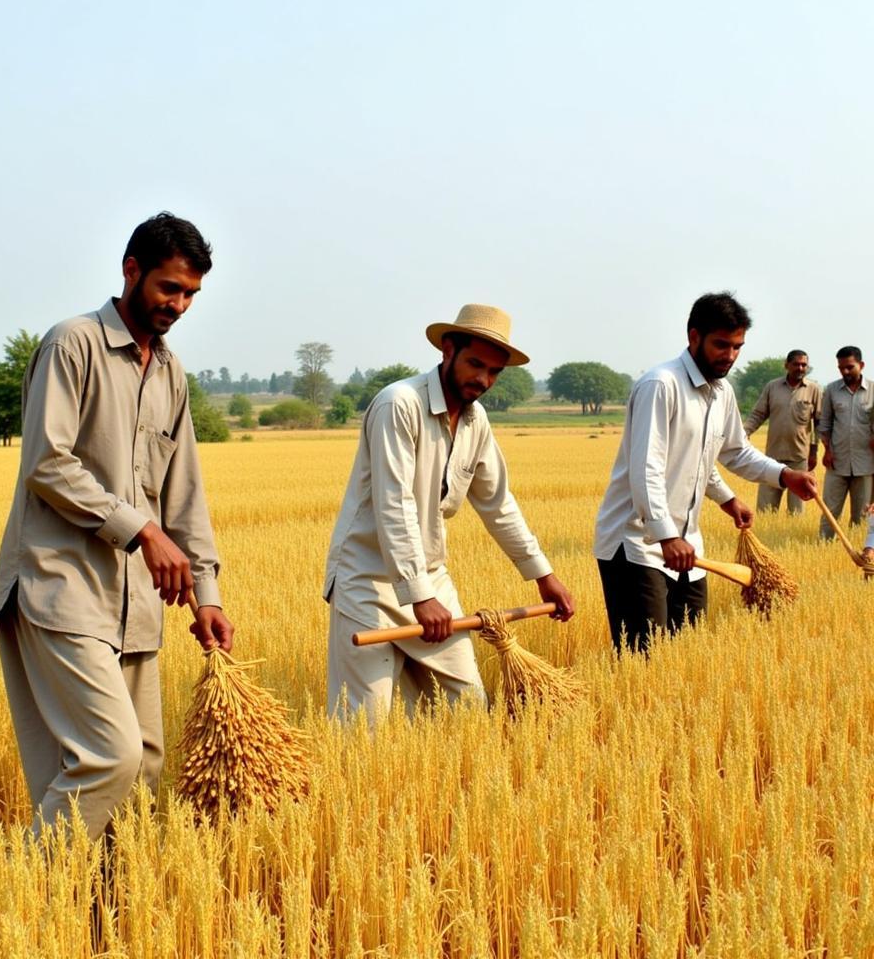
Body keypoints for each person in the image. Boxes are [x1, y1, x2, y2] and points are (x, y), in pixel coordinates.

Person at [0, 212, 233, 840]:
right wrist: (142, 532)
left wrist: (206, 595)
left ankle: (103, 921)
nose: (178, 305)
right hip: (61, 588)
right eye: (168, 288)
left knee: (144, 773)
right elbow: (47, 461)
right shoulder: (72, 344)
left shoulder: (170, 372)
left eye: (190, 295)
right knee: (109, 759)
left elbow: (184, 496)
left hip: (136, 605)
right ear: (131, 271)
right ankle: (27, 897)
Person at [324, 304, 575, 721]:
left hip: (431, 578)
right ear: (447, 350)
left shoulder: (476, 422)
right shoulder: (399, 405)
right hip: (367, 580)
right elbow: (394, 503)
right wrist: (419, 595)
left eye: (494, 372)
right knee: (365, 721)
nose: (483, 379)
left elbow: (498, 504)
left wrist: (543, 575)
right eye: (476, 363)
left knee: (468, 708)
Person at [594, 292, 817, 653]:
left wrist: (782, 476)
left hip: (688, 548)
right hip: (636, 544)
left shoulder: (722, 391)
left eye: (737, 347)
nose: (729, 356)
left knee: (688, 653)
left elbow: (727, 452)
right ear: (693, 336)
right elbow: (646, 468)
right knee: (644, 659)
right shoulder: (660, 385)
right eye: (721, 345)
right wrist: (665, 535)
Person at [742, 350, 822, 515]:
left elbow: (819, 423)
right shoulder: (772, 387)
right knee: (765, 510)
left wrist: (814, 451)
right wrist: (743, 432)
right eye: (796, 364)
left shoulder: (813, 389)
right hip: (772, 458)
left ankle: (792, 541)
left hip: (799, 458)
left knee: (796, 512)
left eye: (804, 365)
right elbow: (758, 414)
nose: (800, 368)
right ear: (786, 365)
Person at [817, 346, 874, 540]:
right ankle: (822, 547)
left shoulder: (873, 391)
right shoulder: (832, 390)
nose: (845, 372)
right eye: (841, 368)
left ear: (861, 365)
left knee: (862, 514)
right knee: (829, 511)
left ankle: (858, 550)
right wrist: (827, 450)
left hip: (866, 463)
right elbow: (824, 424)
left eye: (849, 367)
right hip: (837, 461)